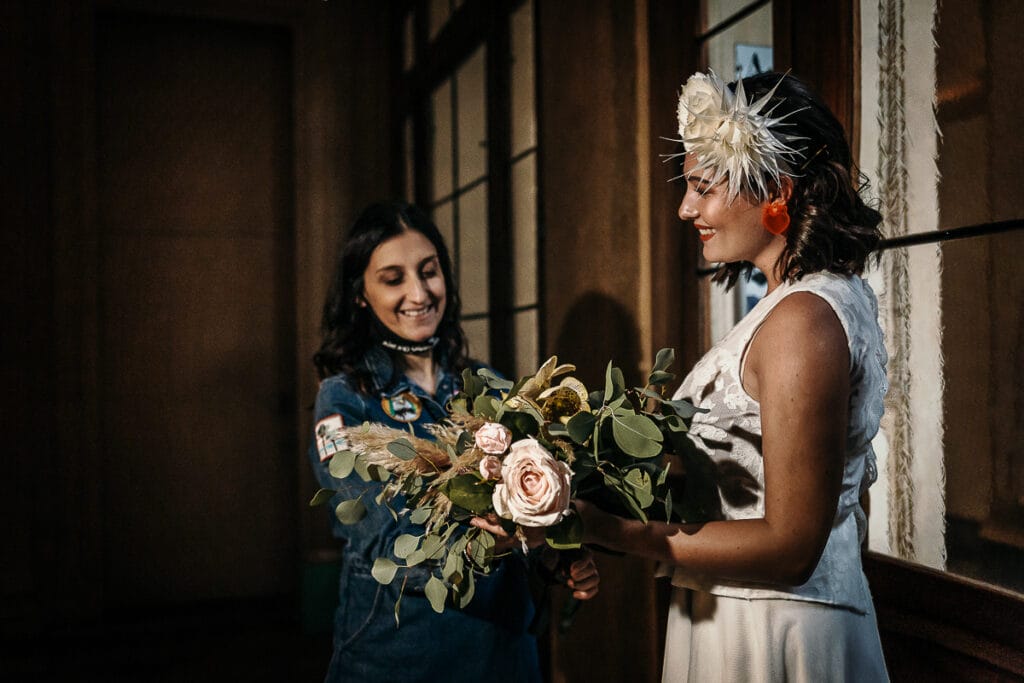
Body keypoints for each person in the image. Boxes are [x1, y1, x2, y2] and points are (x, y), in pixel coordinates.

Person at [575, 71, 890, 681]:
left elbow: (793, 547)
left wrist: (615, 532)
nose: (686, 207)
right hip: (738, 609)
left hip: (773, 630)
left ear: (776, 188)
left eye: (704, 186)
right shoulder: (801, 303)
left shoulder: (805, 320)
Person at [308, 199, 599, 683]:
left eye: (429, 271)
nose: (419, 293)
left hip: (504, 653)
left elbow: (531, 507)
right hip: (400, 655)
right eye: (393, 278)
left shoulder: (489, 385)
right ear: (360, 292)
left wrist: (558, 557)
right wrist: (505, 542)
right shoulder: (344, 400)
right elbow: (383, 541)